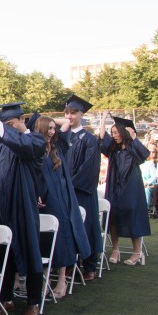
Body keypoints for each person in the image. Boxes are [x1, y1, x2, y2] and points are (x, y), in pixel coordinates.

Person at [0, 102, 44, 315]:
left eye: (11, 124)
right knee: (3, 253)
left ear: (23, 120)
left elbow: (21, 144)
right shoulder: (1, 146)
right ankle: (6, 297)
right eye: (4, 125)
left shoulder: (35, 141)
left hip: (23, 207)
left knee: (30, 250)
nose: (6, 130)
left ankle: (33, 302)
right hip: (1, 206)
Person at [33, 116, 91, 299]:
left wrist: (66, 118)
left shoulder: (57, 149)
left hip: (59, 199)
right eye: (48, 128)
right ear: (40, 130)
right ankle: (43, 278)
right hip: (40, 202)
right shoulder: (34, 150)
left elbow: (66, 124)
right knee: (42, 239)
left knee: (62, 236)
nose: (52, 131)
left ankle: (62, 280)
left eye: (52, 128)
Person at [99, 112, 151, 265]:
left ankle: (137, 252)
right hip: (114, 185)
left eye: (116, 133)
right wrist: (103, 119)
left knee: (132, 215)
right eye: (112, 133)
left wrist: (134, 137)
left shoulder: (133, 147)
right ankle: (116, 249)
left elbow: (144, 155)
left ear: (123, 132)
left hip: (131, 187)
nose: (113, 135)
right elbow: (102, 137)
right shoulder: (113, 149)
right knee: (113, 216)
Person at [63, 95, 102, 282]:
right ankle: (70, 263)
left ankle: (89, 265)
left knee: (87, 226)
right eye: (67, 113)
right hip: (65, 190)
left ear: (81, 114)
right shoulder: (63, 136)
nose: (69, 116)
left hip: (81, 191)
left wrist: (71, 183)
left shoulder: (89, 139)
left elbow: (90, 167)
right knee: (69, 227)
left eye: (73, 112)